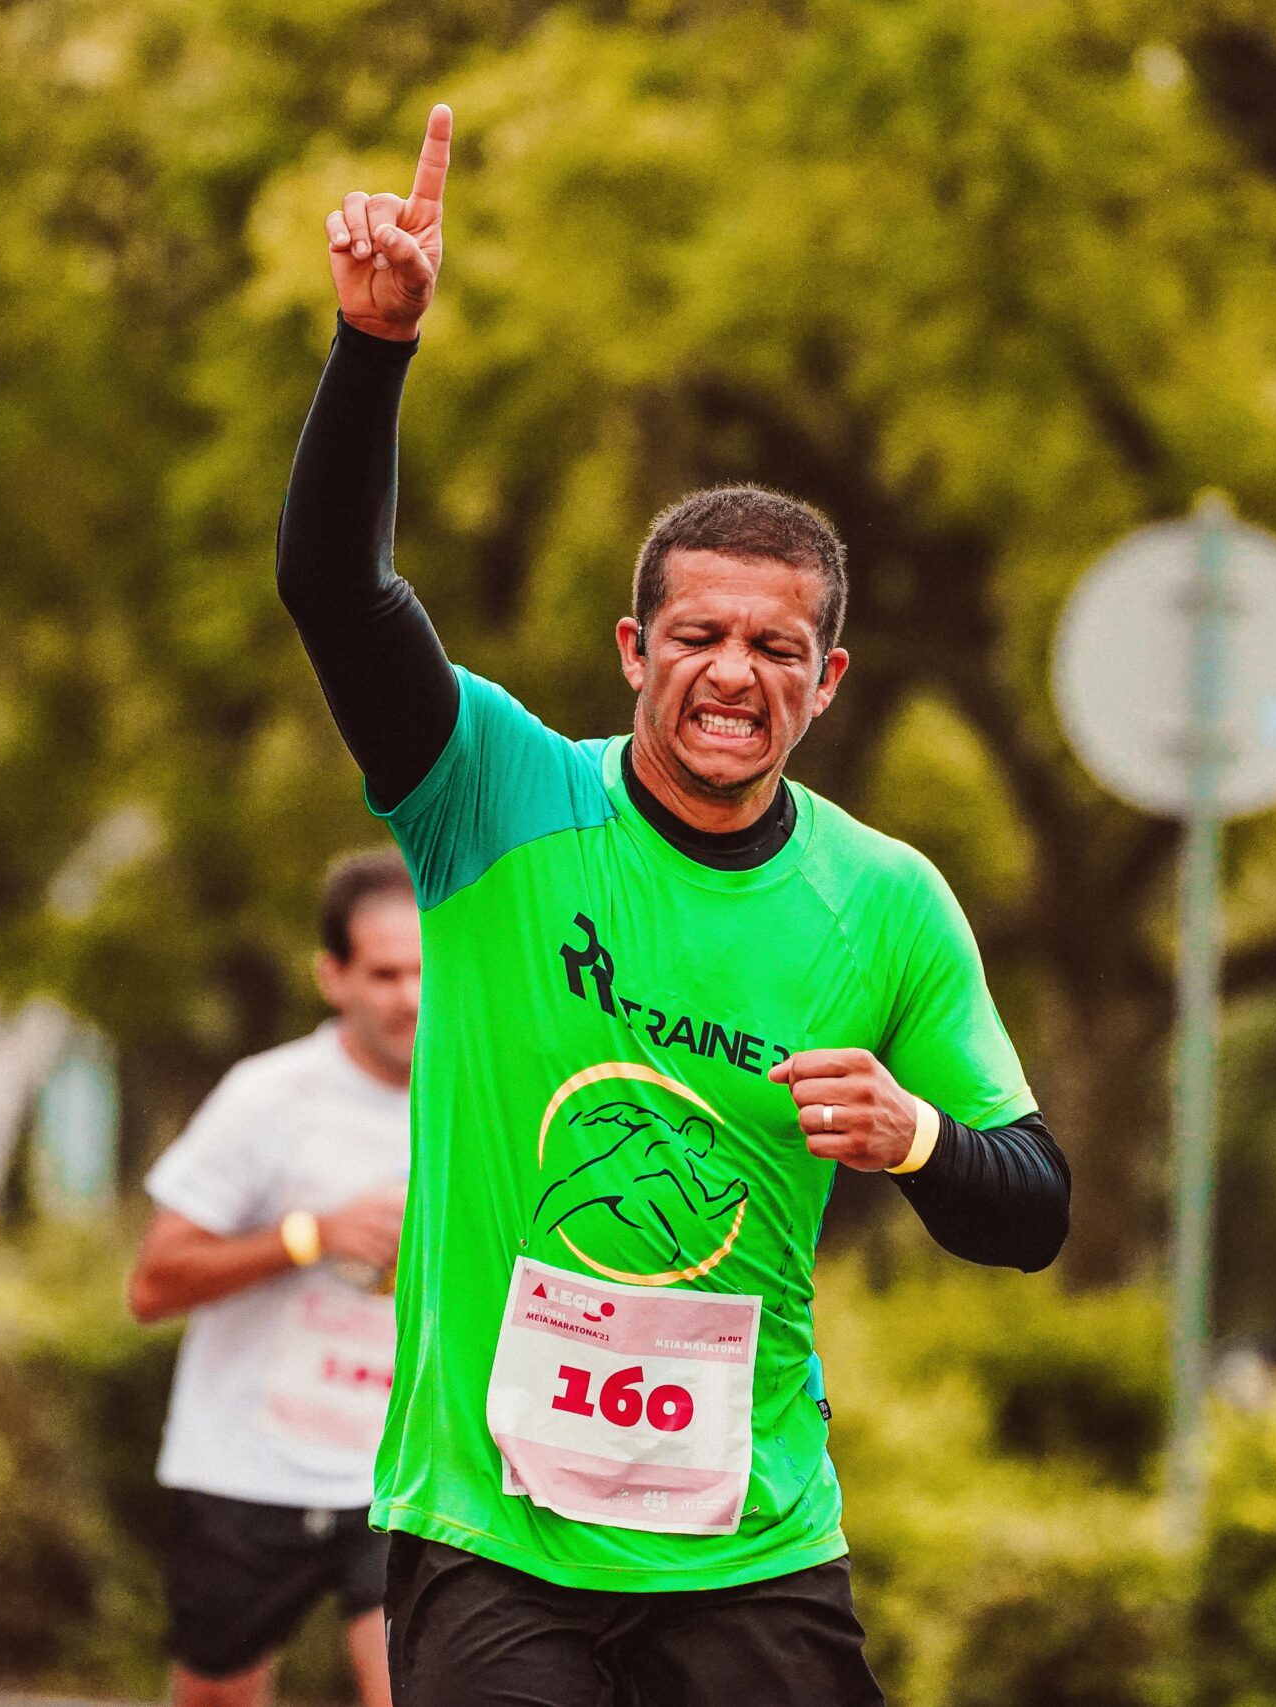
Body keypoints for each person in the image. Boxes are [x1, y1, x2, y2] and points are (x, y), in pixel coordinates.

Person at [279, 106, 1073, 1707]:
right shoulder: (493, 795)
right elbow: (336, 589)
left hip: (751, 1541)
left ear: (827, 682)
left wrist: (915, 1133)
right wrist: (376, 350)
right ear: (635, 653)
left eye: (778, 647)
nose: (735, 672)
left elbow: (1035, 1201)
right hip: (493, 1528)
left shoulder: (886, 901)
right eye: (698, 634)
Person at [127, 852, 419, 1707]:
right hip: (245, 1468)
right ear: (333, 976)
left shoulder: (473, 1096)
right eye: (383, 973)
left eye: (424, 970)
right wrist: (308, 1235)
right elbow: (152, 1285)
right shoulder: (268, 1097)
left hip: (394, 1478)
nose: (408, 996)